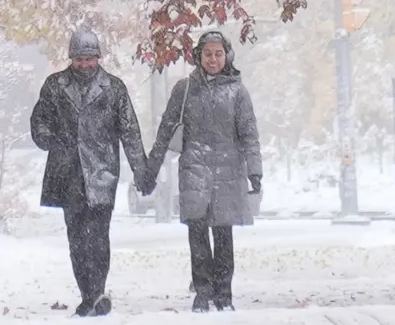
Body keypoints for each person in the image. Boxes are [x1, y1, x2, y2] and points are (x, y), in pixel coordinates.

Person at [30, 27, 152, 317]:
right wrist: (50, 138)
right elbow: (39, 120)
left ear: (98, 58)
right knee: (77, 239)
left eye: (90, 59)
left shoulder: (114, 88)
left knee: (98, 237)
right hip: (67, 173)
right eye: (79, 59)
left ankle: (96, 292)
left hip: (101, 172)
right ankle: (88, 294)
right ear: (71, 58)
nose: (85, 64)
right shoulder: (55, 85)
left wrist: (141, 171)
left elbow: (130, 132)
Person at [143, 30, 262, 313]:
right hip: (194, 170)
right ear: (199, 56)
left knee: (223, 236)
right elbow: (165, 131)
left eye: (218, 54)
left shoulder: (237, 91)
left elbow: (249, 134)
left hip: (228, 172)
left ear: (227, 56)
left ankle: (224, 293)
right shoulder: (184, 90)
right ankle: (202, 291)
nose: (213, 59)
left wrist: (255, 171)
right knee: (197, 234)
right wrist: (150, 168)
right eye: (207, 54)